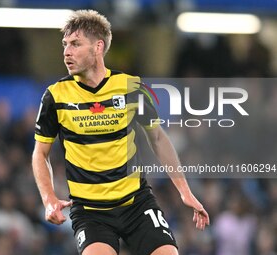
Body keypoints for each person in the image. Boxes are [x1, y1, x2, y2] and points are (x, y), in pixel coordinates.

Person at [31, 9, 209, 255]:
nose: (66, 52)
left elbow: (157, 138)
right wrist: (48, 198)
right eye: (65, 45)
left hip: (136, 204)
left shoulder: (131, 87)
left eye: (75, 44)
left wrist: (185, 192)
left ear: (98, 47)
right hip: (90, 212)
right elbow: (40, 154)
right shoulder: (55, 96)